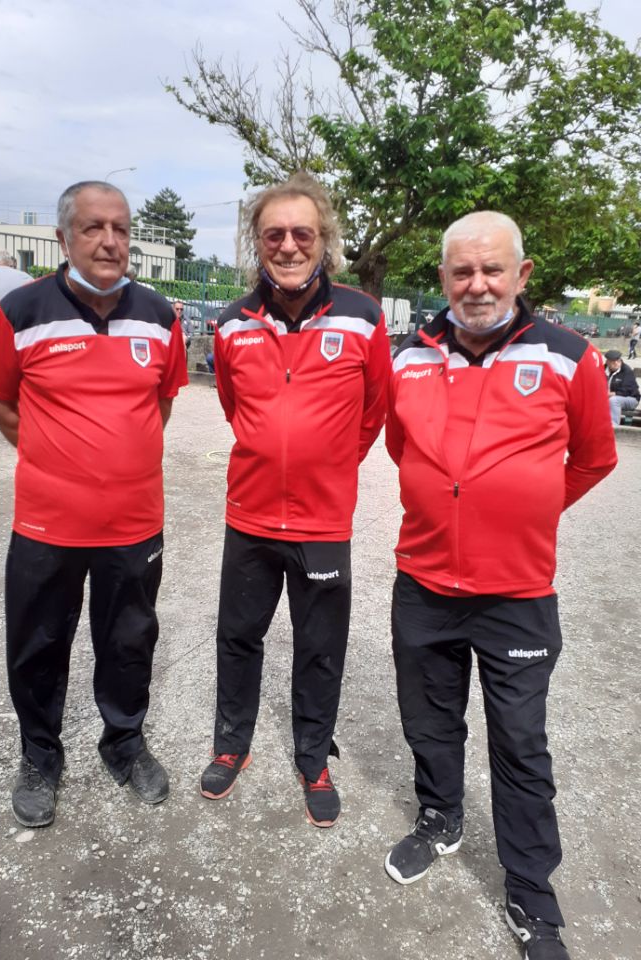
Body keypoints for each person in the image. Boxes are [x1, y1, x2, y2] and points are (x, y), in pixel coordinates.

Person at [384, 211, 617, 960]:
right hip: (424, 582)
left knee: (520, 742)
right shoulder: (408, 358)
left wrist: (523, 512)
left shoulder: (570, 356)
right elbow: (401, 446)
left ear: (522, 274)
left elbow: (594, 457)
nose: (477, 285)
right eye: (462, 271)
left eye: (492, 270)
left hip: (517, 592)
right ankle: (440, 817)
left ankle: (531, 891)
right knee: (429, 722)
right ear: (443, 277)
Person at [0, 181, 188, 828]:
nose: (110, 241)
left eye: (120, 228)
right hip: (47, 522)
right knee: (37, 645)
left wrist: (116, 460)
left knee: (129, 642)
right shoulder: (24, 311)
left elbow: (161, 403)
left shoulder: (160, 316)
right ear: (64, 238)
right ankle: (40, 757)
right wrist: (55, 456)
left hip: (134, 522)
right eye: (94, 227)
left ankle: (124, 744)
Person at [199, 172, 390, 827]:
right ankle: (232, 744)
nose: (288, 246)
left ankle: (313, 757)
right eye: (274, 234)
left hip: (321, 521)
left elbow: (374, 410)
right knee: (238, 637)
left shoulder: (363, 317)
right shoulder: (231, 324)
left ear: (323, 240)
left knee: (319, 647)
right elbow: (235, 407)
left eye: (301, 233)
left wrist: (326, 465)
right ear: (257, 242)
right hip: (249, 516)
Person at [604, 348, 640, 424]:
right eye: (613, 361)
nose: (616, 363)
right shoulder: (603, 369)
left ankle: (614, 427)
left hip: (631, 398)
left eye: (618, 360)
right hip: (608, 398)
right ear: (607, 362)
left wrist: (611, 394)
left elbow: (627, 390)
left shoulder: (626, 371)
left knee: (613, 400)